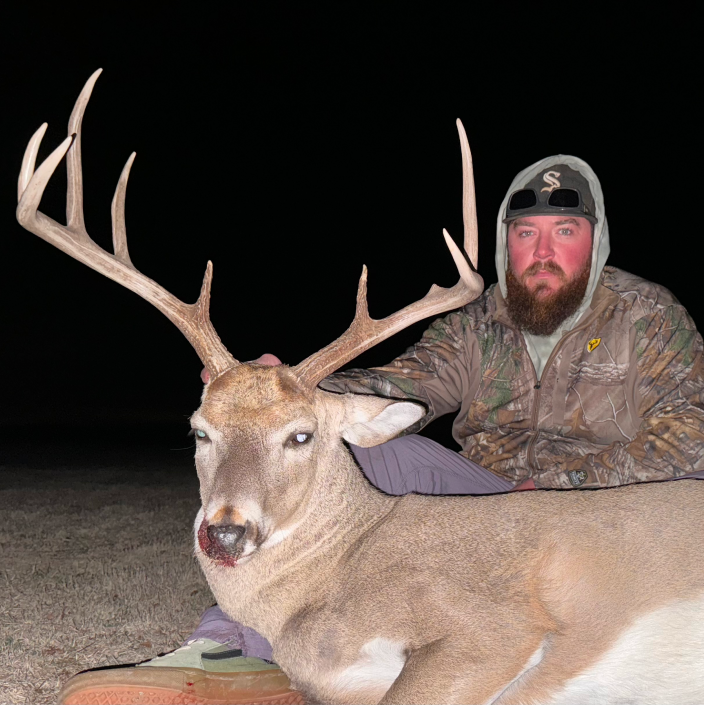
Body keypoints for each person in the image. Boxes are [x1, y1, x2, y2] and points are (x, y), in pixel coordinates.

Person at [58, 156, 704, 705]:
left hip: (599, 501)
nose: (542, 250)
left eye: (564, 231)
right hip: (487, 494)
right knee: (372, 452)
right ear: (506, 243)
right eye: (525, 232)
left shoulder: (647, 316)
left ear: (595, 239)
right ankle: (233, 650)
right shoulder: (476, 324)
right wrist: (284, 398)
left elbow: (689, 437)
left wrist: (560, 485)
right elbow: (404, 387)